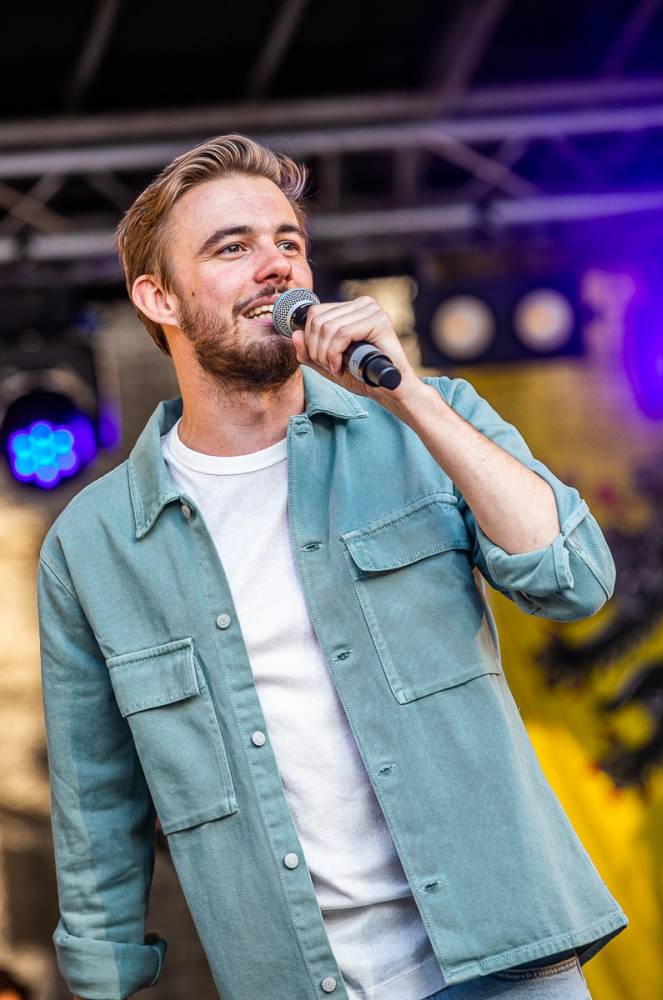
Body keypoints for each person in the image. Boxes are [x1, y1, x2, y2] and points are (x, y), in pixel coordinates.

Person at [37, 134, 627, 1000]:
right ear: (158, 298)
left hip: (505, 959)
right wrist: (103, 981)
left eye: (288, 241)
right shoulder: (94, 544)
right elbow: (96, 801)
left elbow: (571, 578)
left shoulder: (426, 424)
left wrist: (408, 396)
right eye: (231, 247)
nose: (275, 264)